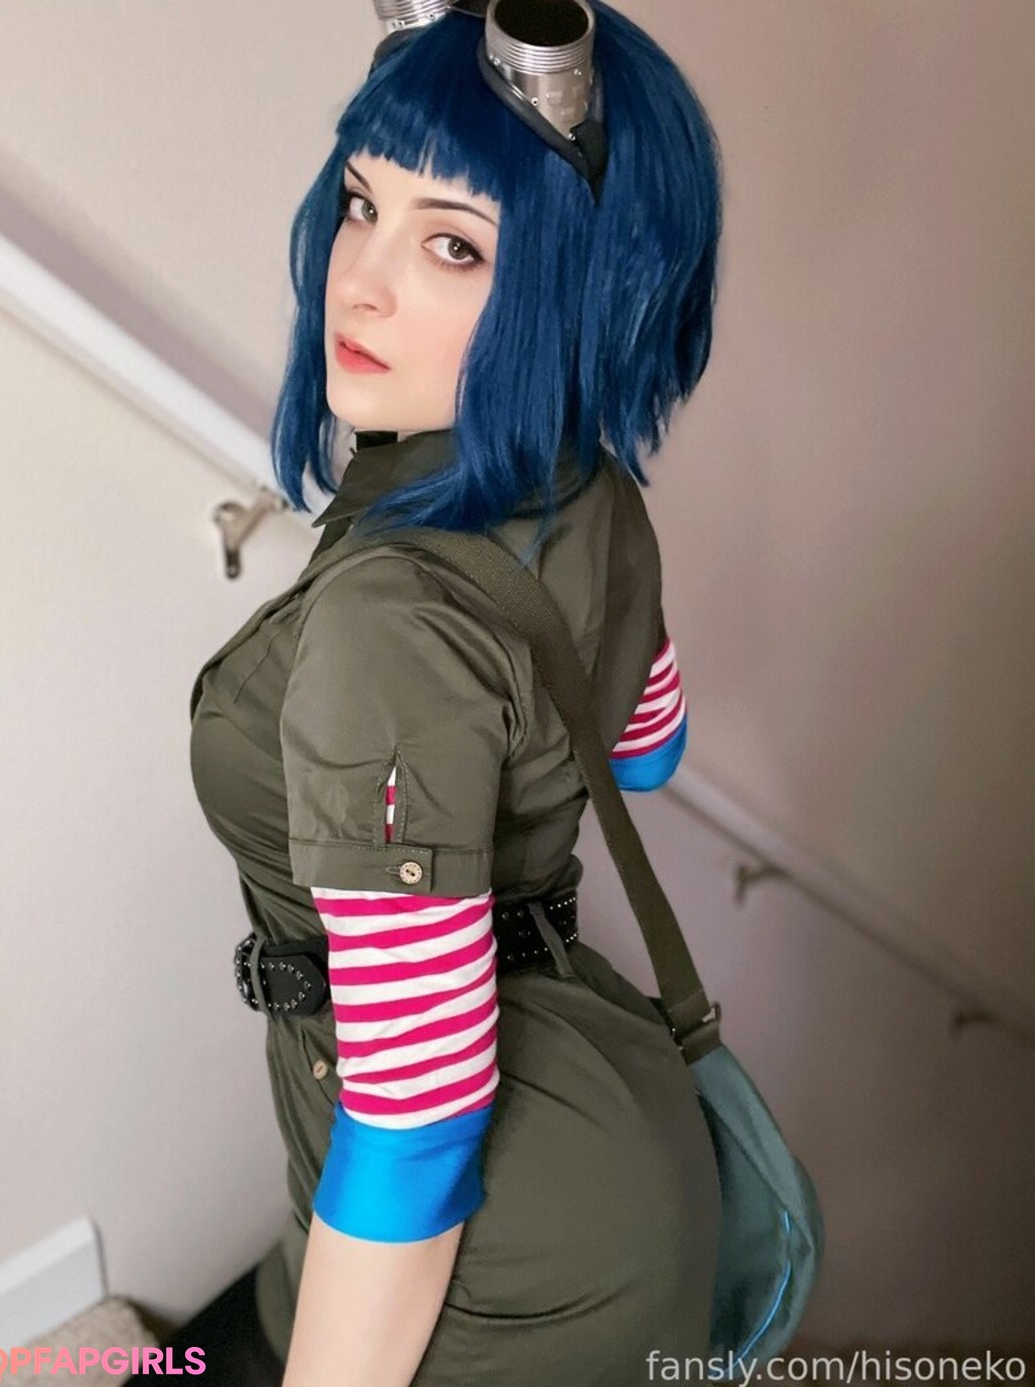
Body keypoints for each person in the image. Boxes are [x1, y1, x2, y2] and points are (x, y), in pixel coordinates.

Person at [179, 1, 725, 1382]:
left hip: (497, 1247)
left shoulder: (392, 623)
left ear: (580, 286)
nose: (358, 283)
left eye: (455, 244)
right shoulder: (594, 484)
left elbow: (416, 1122)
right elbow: (648, 749)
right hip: (606, 1123)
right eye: (363, 205)